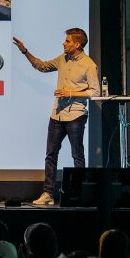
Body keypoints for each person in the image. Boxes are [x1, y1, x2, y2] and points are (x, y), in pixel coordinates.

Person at [13, 27, 98, 206]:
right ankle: (48, 194)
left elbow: (95, 92)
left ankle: (78, 194)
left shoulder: (89, 65)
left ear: (77, 44)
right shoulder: (63, 59)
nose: (63, 43)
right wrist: (25, 51)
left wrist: (71, 92)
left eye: (67, 41)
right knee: (50, 155)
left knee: (77, 155)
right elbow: (42, 66)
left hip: (76, 115)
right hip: (57, 115)